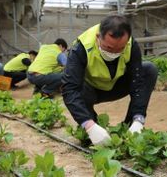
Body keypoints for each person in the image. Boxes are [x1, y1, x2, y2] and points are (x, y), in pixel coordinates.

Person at [62, 15, 158, 146]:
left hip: (114, 86)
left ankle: (130, 129)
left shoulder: (131, 45)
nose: (114, 53)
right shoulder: (81, 47)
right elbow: (70, 90)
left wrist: (139, 118)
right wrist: (89, 125)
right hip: (90, 91)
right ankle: (92, 126)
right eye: (109, 48)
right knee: (76, 85)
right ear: (98, 37)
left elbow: (138, 82)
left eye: (120, 49)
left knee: (149, 70)